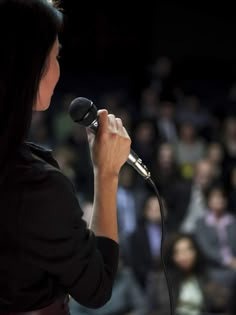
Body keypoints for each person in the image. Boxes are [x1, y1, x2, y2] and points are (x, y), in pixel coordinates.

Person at [0, 0, 131, 314]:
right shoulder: (36, 187)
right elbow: (96, 288)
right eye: (55, 55)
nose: (59, 66)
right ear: (31, 67)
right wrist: (107, 172)